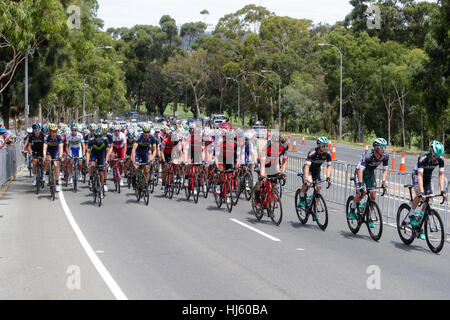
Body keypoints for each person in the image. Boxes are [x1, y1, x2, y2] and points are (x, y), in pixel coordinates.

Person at [408, 140, 447, 236]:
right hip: (418, 175)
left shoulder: (441, 159)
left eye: (437, 156)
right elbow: (420, 176)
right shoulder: (423, 158)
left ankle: (420, 217)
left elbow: (441, 175)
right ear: (430, 151)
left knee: (428, 198)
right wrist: (421, 192)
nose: (435, 158)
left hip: (428, 177)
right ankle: (411, 213)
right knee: (420, 195)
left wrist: (442, 190)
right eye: (434, 155)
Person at [349, 138, 389, 227]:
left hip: (370, 173)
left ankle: (369, 216)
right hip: (360, 173)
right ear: (376, 148)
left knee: (373, 196)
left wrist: (383, 182)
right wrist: (360, 185)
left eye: (385, 147)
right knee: (361, 194)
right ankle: (352, 208)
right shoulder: (368, 156)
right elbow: (360, 170)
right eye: (382, 147)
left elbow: (385, 170)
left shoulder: (385, 156)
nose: (384, 149)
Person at [298, 136, 332, 207]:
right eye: (323, 145)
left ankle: (315, 209)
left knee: (318, 188)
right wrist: (306, 179)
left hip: (317, 170)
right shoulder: (312, 152)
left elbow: (329, 166)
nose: (325, 147)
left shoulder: (328, 153)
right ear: (319, 145)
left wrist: (328, 177)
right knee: (309, 183)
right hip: (309, 169)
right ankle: (301, 196)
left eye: (327, 145)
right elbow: (307, 166)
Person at [86, 128, 111, 194]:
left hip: (102, 155)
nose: (98, 140)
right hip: (94, 154)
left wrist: (106, 161)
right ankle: (91, 178)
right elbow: (88, 153)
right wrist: (87, 163)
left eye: (100, 138)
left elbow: (107, 152)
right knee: (92, 165)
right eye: (96, 138)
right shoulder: (91, 140)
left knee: (101, 173)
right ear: (94, 137)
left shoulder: (105, 140)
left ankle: (102, 187)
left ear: (102, 136)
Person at [42, 123, 64, 192]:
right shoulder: (47, 137)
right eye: (52, 131)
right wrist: (44, 156)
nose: (53, 133)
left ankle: (57, 183)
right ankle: (46, 174)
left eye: (55, 131)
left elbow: (61, 148)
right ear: (49, 131)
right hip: (49, 150)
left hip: (56, 151)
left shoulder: (59, 137)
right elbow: (45, 148)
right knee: (48, 160)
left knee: (56, 165)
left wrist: (60, 156)